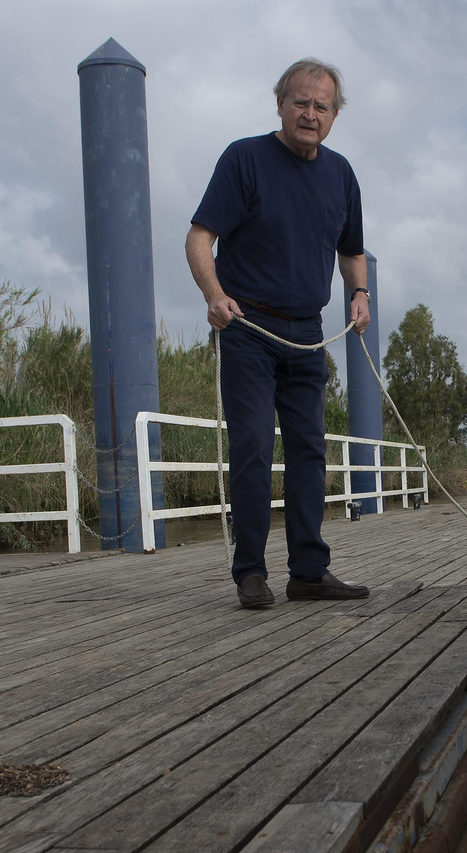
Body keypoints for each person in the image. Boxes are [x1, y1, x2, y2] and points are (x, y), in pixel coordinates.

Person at [185, 58, 372, 609]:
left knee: (311, 450)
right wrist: (213, 295)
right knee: (251, 446)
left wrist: (359, 294)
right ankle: (250, 573)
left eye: (322, 106)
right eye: (301, 102)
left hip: (307, 331)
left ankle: (309, 572)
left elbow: (352, 251)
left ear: (335, 114)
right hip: (247, 326)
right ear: (280, 103)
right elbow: (199, 238)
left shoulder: (341, 174)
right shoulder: (244, 158)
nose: (310, 114)